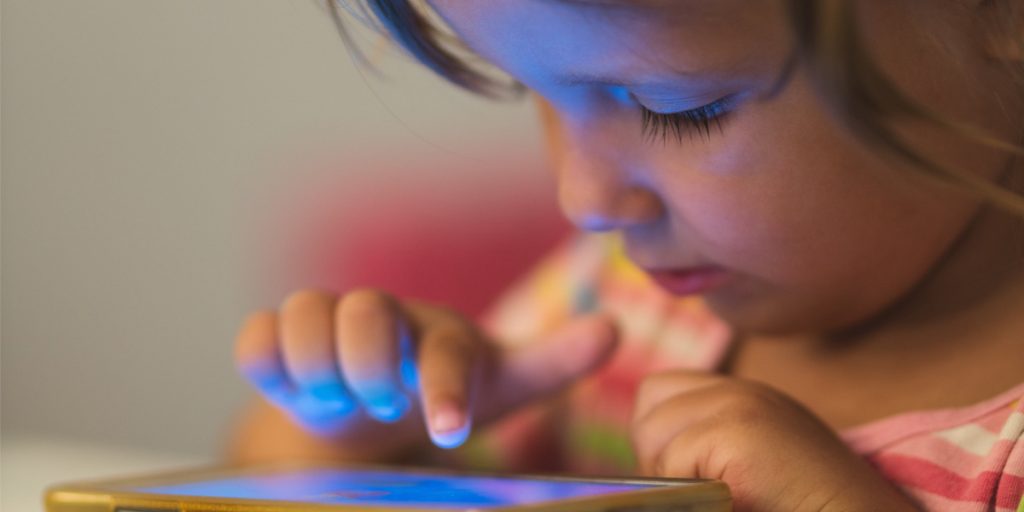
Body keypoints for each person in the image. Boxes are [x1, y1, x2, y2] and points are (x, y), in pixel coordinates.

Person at [230, 1, 1024, 510]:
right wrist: (358, 431)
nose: (584, 200)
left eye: (676, 107)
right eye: (533, 92)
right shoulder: (615, 311)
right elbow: (254, 474)